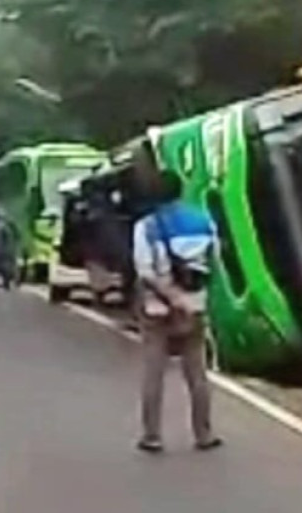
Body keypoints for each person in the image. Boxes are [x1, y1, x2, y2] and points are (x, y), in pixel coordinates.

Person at [132, 168, 222, 454]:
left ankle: (152, 435)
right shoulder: (203, 220)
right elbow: (214, 261)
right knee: (196, 373)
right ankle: (204, 433)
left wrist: (170, 298)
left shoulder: (146, 227)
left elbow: (144, 271)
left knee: (154, 372)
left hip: (157, 310)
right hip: (194, 307)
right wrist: (189, 298)